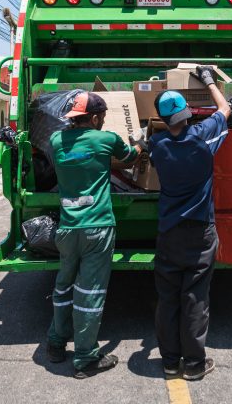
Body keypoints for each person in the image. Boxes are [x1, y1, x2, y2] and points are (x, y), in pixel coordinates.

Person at [46, 91, 144, 378]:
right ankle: (86, 357)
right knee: (89, 293)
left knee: (63, 286)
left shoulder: (55, 141)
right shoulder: (107, 139)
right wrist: (140, 144)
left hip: (66, 228)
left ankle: (55, 342)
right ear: (97, 117)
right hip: (97, 229)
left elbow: (69, 160)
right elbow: (128, 160)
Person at [148, 66, 230, 380]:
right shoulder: (204, 137)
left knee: (168, 298)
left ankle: (169, 361)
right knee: (195, 297)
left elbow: (146, 148)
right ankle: (194, 365)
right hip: (200, 231)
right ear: (187, 113)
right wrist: (209, 80)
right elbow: (226, 109)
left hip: (169, 232)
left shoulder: (158, 145)